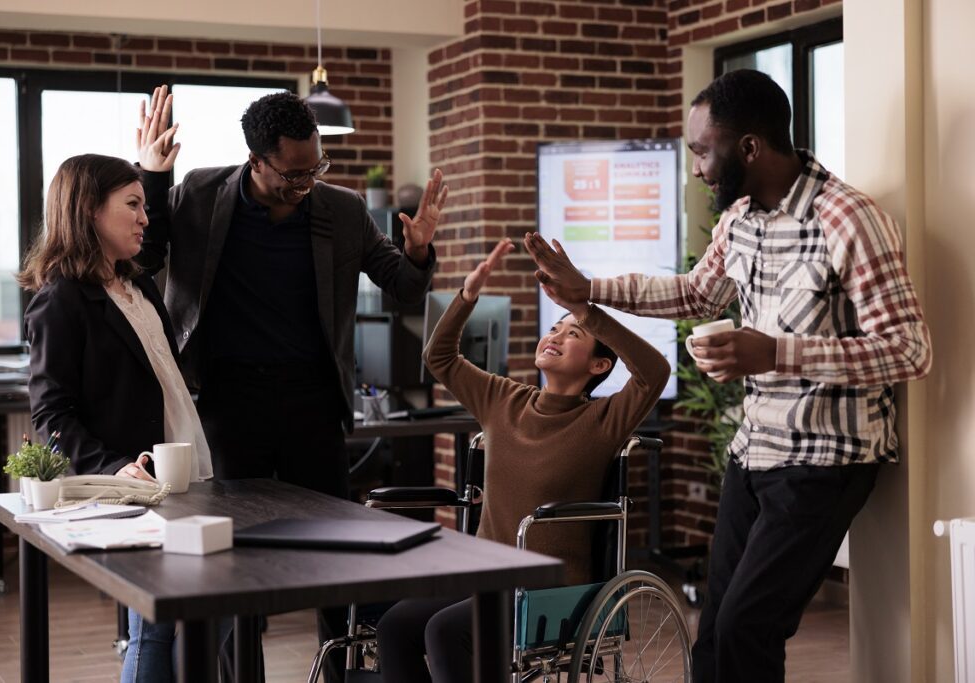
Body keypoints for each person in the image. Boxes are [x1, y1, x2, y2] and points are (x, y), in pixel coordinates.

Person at [525, 69, 933, 683]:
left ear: (748, 147)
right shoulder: (740, 217)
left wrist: (775, 355)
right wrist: (589, 290)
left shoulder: (849, 219)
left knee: (748, 625)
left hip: (828, 457)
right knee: (715, 629)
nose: (695, 168)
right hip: (753, 451)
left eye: (700, 149)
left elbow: (910, 350)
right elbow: (695, 293)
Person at [134, 85, 445, 682]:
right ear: (256, 159)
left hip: (312, 403)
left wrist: (420, 252)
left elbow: (403, 289)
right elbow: (146, 257)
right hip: (227, 402)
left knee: (334, 557)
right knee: (232, 561)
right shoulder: (200, 193)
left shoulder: (342, 209)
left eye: (316, 166)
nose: (306, 182)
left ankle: (343, 672)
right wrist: (152, 176)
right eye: (293, 173)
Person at [374, 239, 671, 683]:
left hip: (548, 589)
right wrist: (467, 296)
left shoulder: (604, 419)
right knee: (394, 627)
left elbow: (655, 372)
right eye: (554, 329)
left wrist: (585, 309)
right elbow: (438, 357)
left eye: (574, 335)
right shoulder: (503, 398)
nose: (556, 336)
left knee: (445, 632)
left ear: (598, 366)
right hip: (485, 576)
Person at [21, 154, 214, 683]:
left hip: (189, 473)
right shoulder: (60, 299)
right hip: (136, 488)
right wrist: (114, 468)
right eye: (132, 205)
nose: (145, 218)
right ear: (89, 211)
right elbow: (51, 413)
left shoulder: (140, 285)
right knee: (155, 628)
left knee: (213, 613)